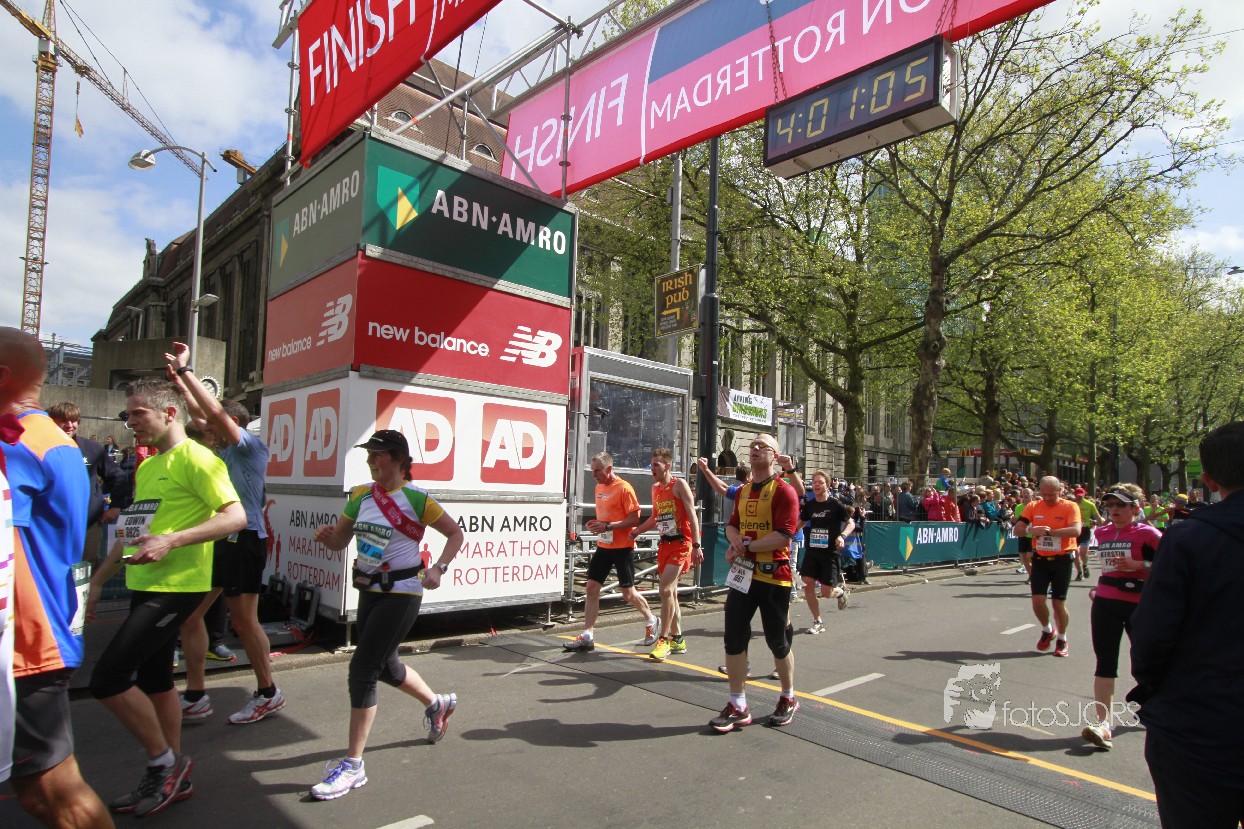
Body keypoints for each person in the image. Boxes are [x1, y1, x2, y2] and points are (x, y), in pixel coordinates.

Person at [85, 378, 246, 818]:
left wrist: (172, 540)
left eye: (138, 413)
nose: (130, 422)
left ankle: (165, 763)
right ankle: (172, 774)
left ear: (169, 413)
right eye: (127, 414)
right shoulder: (149, 465)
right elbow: (133, 530)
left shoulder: (199, 458)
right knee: (156, 681)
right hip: (144, 584)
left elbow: (236, 517)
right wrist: (100, 580)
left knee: (108, 679)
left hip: (178, 587)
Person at [310, 429, 463, 800]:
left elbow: (455, 535)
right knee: (385, 666)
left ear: (398, 460)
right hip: (369, 590)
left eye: (377, 455)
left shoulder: (417, 498)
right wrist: (327, 537)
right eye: (369, 455)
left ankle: (353, 765)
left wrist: (439, 568)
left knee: (363, 669)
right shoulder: (361, 495)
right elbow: (340, 542)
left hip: (402, 593)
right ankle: (436, 704)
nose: (371, 461)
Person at [0, 328, 113, 827]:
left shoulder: (18, 443)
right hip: (40, 628)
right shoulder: (54, 440)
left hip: (27, 640)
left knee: (51, 793)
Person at [162, 343, 284, 725]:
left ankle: (268, 693)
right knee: (191, 617)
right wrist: (180, 383)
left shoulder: (249, 447)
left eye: (215, 426)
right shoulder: (222, 451)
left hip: (246, 540)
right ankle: (196, 695)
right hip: (222, 539)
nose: (206, 430)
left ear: (231, 423)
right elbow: (200, 413)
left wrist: (187, 372)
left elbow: (211, 413)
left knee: (244, 623)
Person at [1129, 422, 1244, 828]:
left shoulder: (1188, 539)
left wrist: (1154, 691)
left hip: (1199, 725)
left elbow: (1152, 635)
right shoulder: (1188, 537)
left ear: (1208, 479)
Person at [711, 433, 801, 733]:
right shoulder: (743, 491)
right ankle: (738, 704)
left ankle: (788, 697)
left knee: (777, 640)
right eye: (753, 445)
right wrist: (735, 541)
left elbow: (783, 536)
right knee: (733, 637)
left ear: (775, 456)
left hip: (774, 576)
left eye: (763, 446)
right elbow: (732, 525)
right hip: (743, 575)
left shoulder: (784, 491)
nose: (756, 448)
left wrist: (746, 546)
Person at [1077, 483, 1159, 752]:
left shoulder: (1148, 533)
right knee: (1105, 662)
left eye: (1120, 505)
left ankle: (1155, 707)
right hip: (1106, 603)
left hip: (1141, 605)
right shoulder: (1102, 532)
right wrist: (1100, 586)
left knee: (1147, 661)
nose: (1114, 510)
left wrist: (1140, 565)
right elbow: (1108, 567)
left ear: (1135, 508)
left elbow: (1171, 564)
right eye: (1110, 505)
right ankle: (1104, 725)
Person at [564, 451, 659, 652]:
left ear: (609, 468)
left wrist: (608, 526)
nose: (594, 475)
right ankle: (588, 634)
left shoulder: (624, 488)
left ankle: (651, 619)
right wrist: (596, 524)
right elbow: (605, 518)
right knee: (591, 588)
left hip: (623, 547)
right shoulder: (598, 487)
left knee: (628, 593)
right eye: (593, 470)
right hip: (604, 546)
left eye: (598, 471)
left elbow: (634, 519)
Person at [631, 448, 702, 661]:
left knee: (665, 589)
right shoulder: (655, 489)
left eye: (657, 465)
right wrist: (637, 530)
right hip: (665, 544)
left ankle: (663, 640)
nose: (652, 469)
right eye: (651, 464)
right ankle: (678, 639)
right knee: (672, 594)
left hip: (682, 543)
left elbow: (692, 515)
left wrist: (697, 545)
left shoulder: (679, 485)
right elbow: (655, 517)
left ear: (667, 466)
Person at [47, 401, 132, 564]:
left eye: (74, 420)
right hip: (52, 525)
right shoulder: (41, 448)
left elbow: (117, 475)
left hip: (89, 524)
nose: (69, 425)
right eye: (63, 420)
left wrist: (116, 506)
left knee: (87, 568)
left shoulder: (91, 448)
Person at [1014, 476, 1081, 657]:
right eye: (1044, 494)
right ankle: (1047, 630)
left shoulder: (1070, 506)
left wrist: (1050, 532)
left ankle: (1062, 639)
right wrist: (1030, 530)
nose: (1048, 498)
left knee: (1058, 604)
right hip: (1041, 560)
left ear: (1060, 491)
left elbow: (1076, 530)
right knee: (1037, 601)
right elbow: (1017, 529)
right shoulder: (1033, 506)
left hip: (1062, 560)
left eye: (1052, 494)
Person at [798, 470, 856, 632]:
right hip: (812, 551)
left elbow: (851, 523)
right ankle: (818, 621)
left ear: (828, 485)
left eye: (820, 482)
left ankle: (840, 592)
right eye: (814, 482)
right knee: (807, 583)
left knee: (826, 592)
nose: (816, 485)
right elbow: (801, 522)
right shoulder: (810, 505)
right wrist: (788, 535)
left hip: (830, 553)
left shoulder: (835, 505)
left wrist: (842, 536)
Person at [1071, 486, 1103, 582]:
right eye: (1077, 496)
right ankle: (1079, 572)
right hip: (1074, 530)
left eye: (1081, 496)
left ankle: (1085, 565)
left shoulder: (1089, 504)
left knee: (1083, 552)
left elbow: (1097, 516)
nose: (1079, 497)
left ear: (1084, 495)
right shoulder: (1072, 505)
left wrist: (1101, 524)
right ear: (1074, 495)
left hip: (1085, 530)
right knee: (1075, 553)